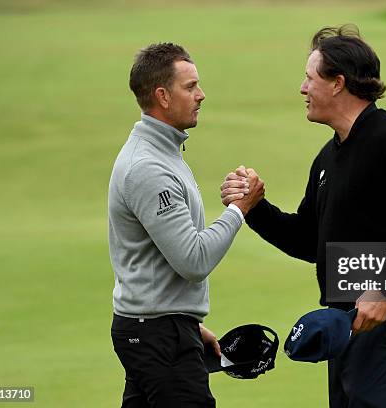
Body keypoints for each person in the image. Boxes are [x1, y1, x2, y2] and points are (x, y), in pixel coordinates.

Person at [221, 25, 386, 407]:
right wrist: (254, 208)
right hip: (345, 327)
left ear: (337, 83)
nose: (302, 88)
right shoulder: (328, 157)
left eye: (310, 77)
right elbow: (307, 239)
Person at [108, 42, 264, 407]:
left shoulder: (163, 152)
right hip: (156, 337)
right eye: (190, 86)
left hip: (159, 329)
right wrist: (239, 209)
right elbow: (193, 260)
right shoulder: (149, 167)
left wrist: (188, 325)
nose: (201, 95)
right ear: (162, 96)